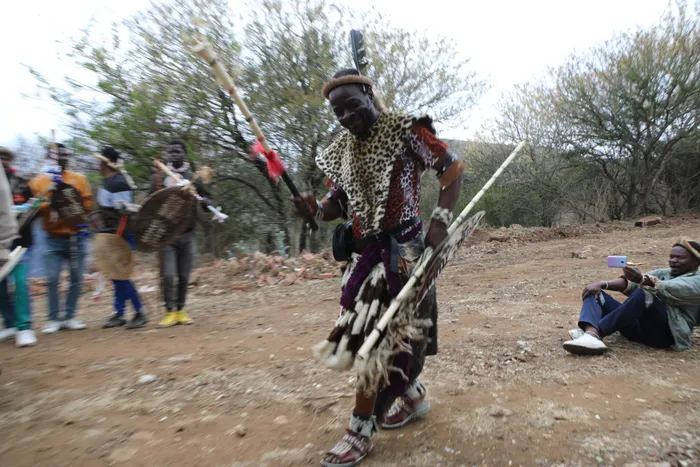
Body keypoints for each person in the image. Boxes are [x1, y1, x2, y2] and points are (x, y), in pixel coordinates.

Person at [291, 69, 464, 467]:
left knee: (377, 339)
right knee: (388, 335)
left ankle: (360, 430)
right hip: (364, 258)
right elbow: (337, 204)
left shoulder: (406, 131)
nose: (346, 116)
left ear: (369, 95)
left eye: (353, 105)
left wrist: (439, 222)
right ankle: (413, 395)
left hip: (404, 254)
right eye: (338, 112)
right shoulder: (343, 149)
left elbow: (452, 169)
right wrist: (314, 208)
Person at [563, 240, 700, 355]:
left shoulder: (697, 280)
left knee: (646, 292)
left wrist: (641, 279)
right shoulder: (664, 273)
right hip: (637, 329)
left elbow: (669, 287)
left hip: (665, 335)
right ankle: (591, 332)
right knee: (594, 292)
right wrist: (603, 284)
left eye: (680, 258)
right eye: (672, 257)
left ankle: (595, 334)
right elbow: (631, 284)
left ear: (696, 261)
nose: (673, 261)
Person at [29, 143, 93, 334]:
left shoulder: (79, 179)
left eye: (65, 154)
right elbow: (34, 207)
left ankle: (71, 315)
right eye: (59, 155)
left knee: (76, 277)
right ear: (50, 157)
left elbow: (87, 205)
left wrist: (68, 197)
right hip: (52, 237)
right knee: (52, 278)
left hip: (76, 236)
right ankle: (53, 318)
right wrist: (50, 194)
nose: (63, 157)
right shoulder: (39, 181)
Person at [151, 139, 212, 327]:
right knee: (169, 275)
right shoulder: (159, 178)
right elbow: (149, 202)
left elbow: (206, 198)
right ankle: (169, 312)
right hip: (167, 235)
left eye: (177, 151)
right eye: (171, 152)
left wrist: (206, 203)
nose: (174, 154)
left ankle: (180, 310)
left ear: (184, 154)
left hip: (188, 232)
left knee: (184, 275)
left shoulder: (193, 178)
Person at [96, 147, 147, 329]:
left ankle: (139, 311)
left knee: (121, 275)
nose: (98, 165)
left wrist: (120, 235)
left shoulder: (119, 183)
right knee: (115, 275)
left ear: (107, 164)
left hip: (121, 234)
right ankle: (119, 313)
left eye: (101, 162)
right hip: (110, 233)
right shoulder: (108, 182)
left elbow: (125, 211)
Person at [0, 147, 38, 347]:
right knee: (0, 288)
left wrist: (28, 210)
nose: (2, 161)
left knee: (21, 283)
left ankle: (25, 327)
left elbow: (35, 211)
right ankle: (10, 323)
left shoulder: (22, 183)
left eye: (5, 158)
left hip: (18, 243)